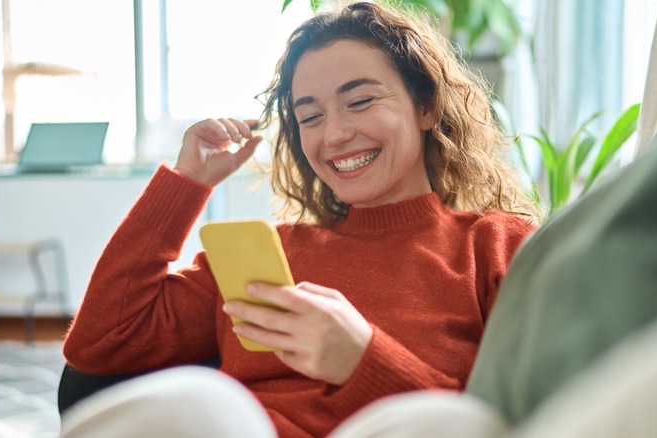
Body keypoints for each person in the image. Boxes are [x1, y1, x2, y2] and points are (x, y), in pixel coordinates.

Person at [61, 2, 538, 437]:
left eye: (360, 101)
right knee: (198, 402)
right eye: (310, 117)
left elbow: (524, 419)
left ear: (426, 106)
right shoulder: (270, 257)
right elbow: (100, 344)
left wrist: (362, 360)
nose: (334, 135)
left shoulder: (496, 247)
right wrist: (187, 183)